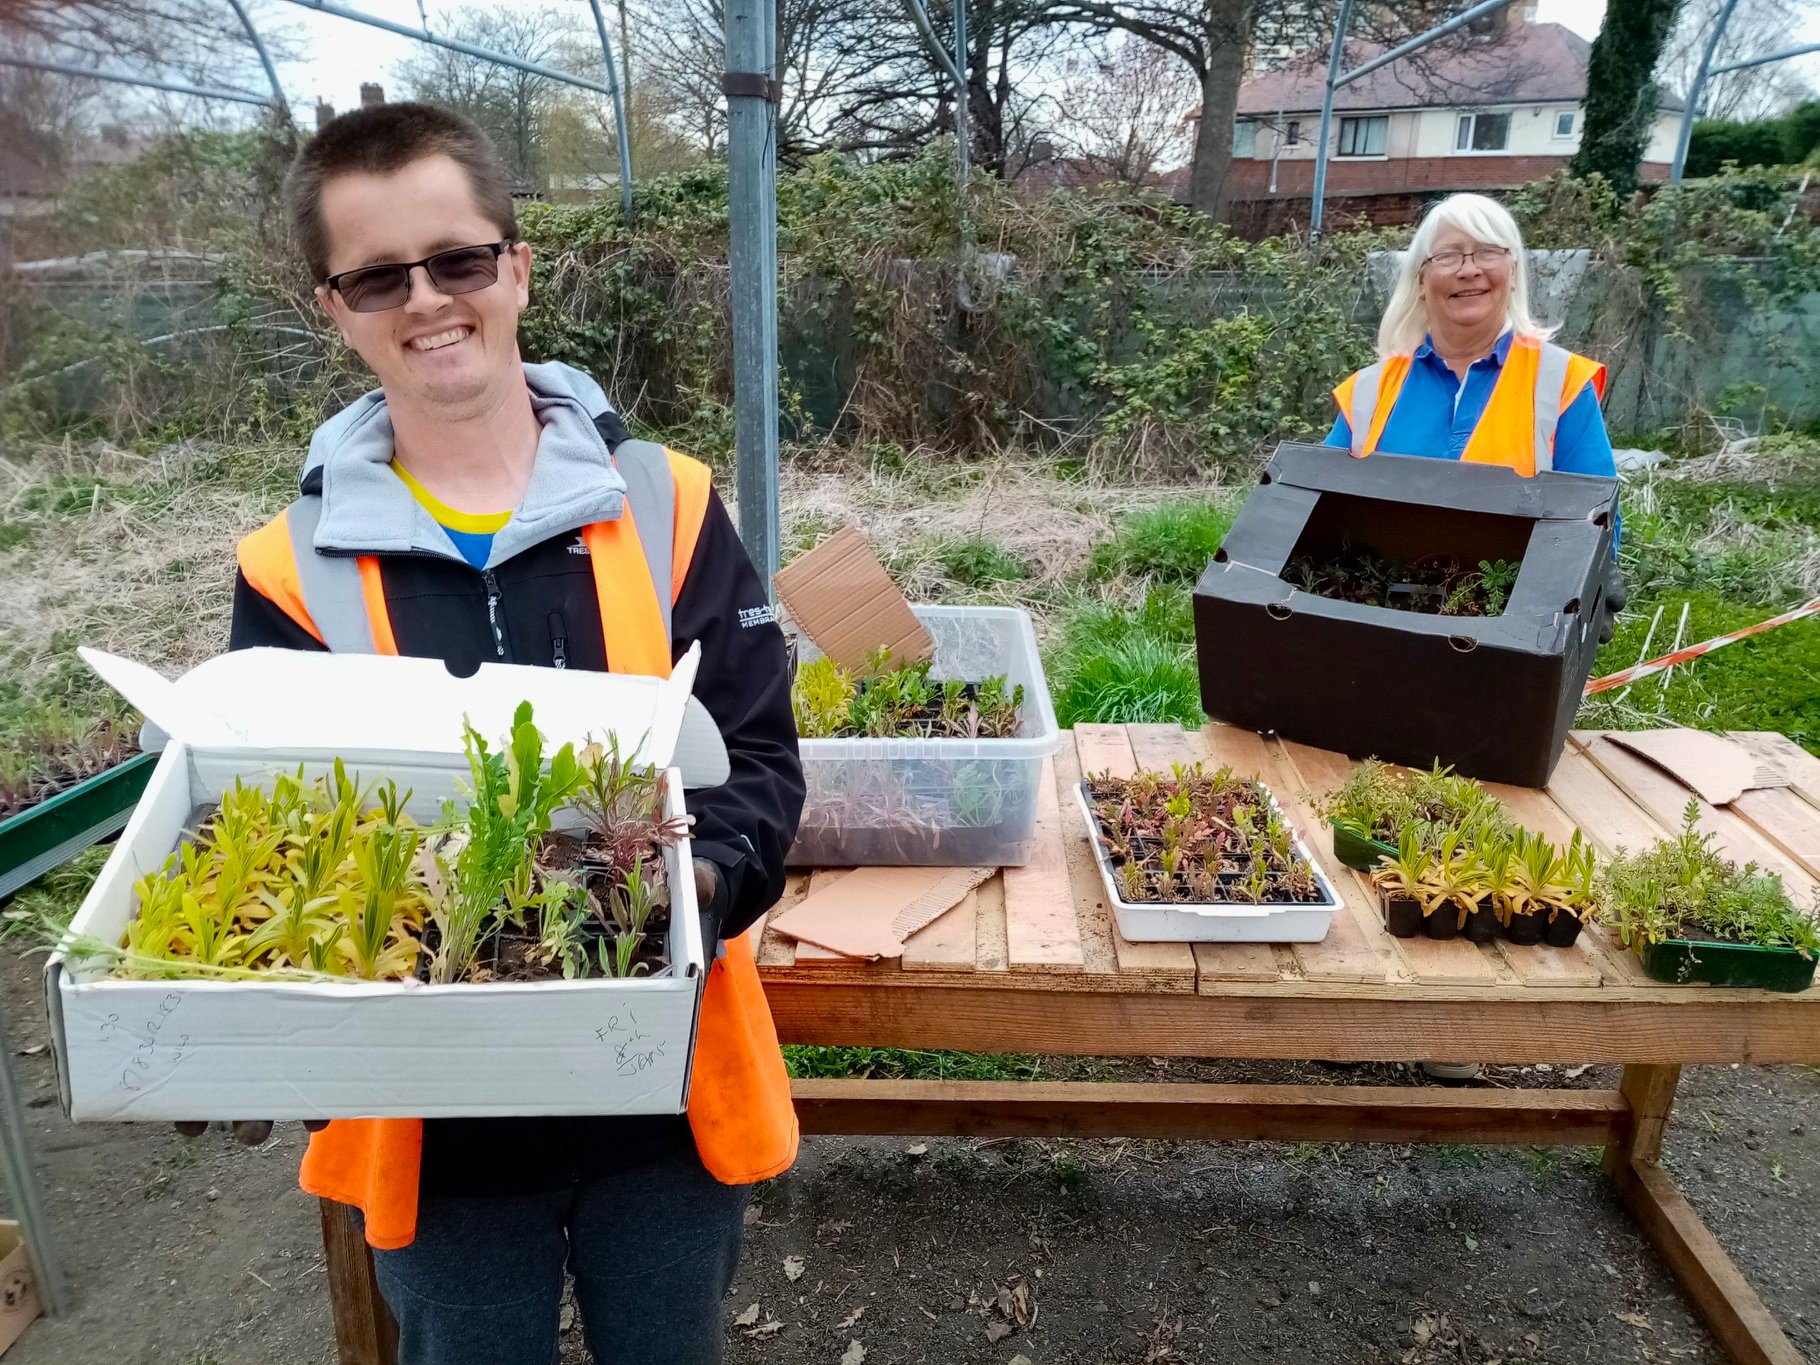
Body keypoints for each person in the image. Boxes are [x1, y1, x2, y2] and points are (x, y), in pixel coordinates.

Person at [186, 102, 806, 1365]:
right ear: (334, 307)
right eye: (377, 276)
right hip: (430, 1120)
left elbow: (759, 760)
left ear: (516, 270)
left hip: (660, 1093)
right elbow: (272, 833)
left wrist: (687, 880)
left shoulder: (664, 505)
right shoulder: (289, 567)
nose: (426, 300)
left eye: (458, 259)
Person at [1327, 191, 1622, 1084]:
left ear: (1512, 270)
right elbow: (1319, 513)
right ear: (1422, 277)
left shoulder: (1557, 382)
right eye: (1448, 254)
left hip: (1505, 635)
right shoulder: (1374, 387)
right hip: (1385, 626)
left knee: (1482, 811)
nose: (1467, 270)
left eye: (1486, 253)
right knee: (1357, 800)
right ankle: (1341, 994)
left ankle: (1453, 1024)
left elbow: (1598, 526)